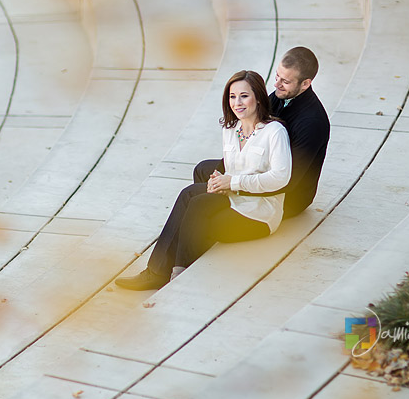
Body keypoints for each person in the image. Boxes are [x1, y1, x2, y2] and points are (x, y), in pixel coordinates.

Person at [116, 70, 291, 291]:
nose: (237, 103)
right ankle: (157, 272)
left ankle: (177, 276)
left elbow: (281, 178)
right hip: (234, 198)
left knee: (198, 208)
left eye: (244, 96)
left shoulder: (274, 132)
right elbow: (233, 168)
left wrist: (232, 182)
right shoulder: (231, 128)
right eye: (232, 96)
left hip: (260, 212)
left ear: (258, 97)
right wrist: (220, 180)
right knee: (189, 194)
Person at [193, 46, 330, 219]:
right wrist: (222, 176)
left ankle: (217, 215)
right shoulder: (281, 96)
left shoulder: (312, 123)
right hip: (259, 170)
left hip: (288, 196)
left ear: (305, 84)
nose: (277, 84)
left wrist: (232, 184)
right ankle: (208, 212)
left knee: (216, 185)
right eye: (277, 76)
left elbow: (288, 179)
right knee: (204, 170)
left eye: (285, 81)